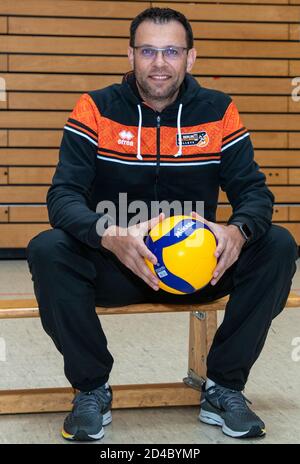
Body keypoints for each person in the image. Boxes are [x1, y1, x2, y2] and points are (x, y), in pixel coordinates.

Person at [26, 7, 298, 441]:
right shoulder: (95, 108)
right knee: (47, 248)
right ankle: (91, 389)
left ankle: (224, 388)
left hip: (199, 268)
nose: (159, 62)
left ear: (190, 58)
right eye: (148, 50)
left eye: (171, 51)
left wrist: (236, 231)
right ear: (130, 54)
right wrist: (109, 236)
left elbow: (255, 194)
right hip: (119, 264)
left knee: (279, 245)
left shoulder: (218, 110)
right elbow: (62, 197)